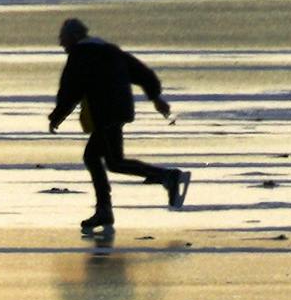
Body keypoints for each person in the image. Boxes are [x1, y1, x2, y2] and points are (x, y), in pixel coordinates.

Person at [47, 17, 191, 236]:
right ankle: (108, 207)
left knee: (105, 160)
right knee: (105, 160)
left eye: (63, 38)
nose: (61, 44)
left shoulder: (80, 55)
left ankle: (165, 177)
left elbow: (71, 89)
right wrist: (155, 97)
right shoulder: (110, 50)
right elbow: (142, 73)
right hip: (119, 110)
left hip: (105, 113)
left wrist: (57, 116)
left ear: (74, 37)